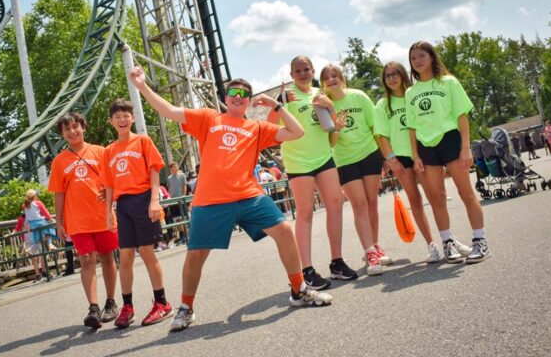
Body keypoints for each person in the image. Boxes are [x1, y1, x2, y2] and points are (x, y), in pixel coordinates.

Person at [128, 66, 333, 332]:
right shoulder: (209, 118)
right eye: (233, 93)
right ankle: (186, 308)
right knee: (196, 254)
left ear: (249, 101)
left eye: (244, 94)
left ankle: (298, 290)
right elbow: (169, 111)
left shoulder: (257, 127)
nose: (238, 97)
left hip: (248, 195)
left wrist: (277, 106)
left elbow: (297, 133)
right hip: (210, 200)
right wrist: (142, 86)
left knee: (284, 230)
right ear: (226, 98)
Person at [277, 55, 357, 289]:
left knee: (335, 204)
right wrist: (279, 102)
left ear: (313, 72)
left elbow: (332, 131)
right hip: (299, 161)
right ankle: (307, 270)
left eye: (307, 69)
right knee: (305, 213)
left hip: (324, 157)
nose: (303, 73)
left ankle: (337, 262)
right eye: (298, 70)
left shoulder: (319, 95)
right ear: (291, 75)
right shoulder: (286, 96)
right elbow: (271, 123)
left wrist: (331, 107)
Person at [406, 41, 487, 263]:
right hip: (426, 147)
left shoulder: (449, 82)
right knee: (437, 198)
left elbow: (462, 115)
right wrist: (416, 156)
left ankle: (480, 242)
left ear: (432, 57)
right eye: (413, 58)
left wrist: (465, 147)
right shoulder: (410, 92)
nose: (417, 61)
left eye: (422, 55)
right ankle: (447, 243)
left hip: (451, 141)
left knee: (465, 193)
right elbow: (411, 128)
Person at [102, 99, 173, 328]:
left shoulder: (142, 141)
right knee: (125, 257)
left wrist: (154, 201)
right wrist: (109, 212)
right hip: (123, 205)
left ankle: (162, 303)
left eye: (126, 115)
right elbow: (109, 185)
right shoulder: (109, 151)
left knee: (147, 253)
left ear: (132, 118)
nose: (122, 119)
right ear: (111, 121)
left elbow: (154, 172)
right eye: (117, 116)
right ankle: (128, 305)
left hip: (143, 199)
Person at [319, 63, 395, 275]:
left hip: (369, 153)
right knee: (359, 205)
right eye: (327, 77)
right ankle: (369, 252)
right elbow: (331, 143)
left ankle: (375, 247)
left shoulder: (359, 96)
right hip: (345, 160)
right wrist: (338, 126)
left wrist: (385, 156)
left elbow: (376, 128)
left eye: (335, 75)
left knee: (371, 203)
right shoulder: (323, 106)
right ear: (322, 84)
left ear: (342, 78)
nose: (332, 79)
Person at [48, 111, 119, 328]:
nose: (72, 131)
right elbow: (58, 193)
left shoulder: (100, 151)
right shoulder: (59, 162)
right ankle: (93, 307)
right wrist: (58, 221)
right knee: (86, 259)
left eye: (75, 126)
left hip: (103, 215)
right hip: (77, 220)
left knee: (107, 257)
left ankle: (111, 302)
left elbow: (114, 180)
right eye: (66, 128)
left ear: (83, 128)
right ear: (62, 134)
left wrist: (109, 195)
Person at [373, 62, 442, 265]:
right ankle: (432, 245)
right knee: (415, 199)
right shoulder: (383, 105)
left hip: (421, 151)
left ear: (403, 74)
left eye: (395, 74)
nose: (392, 78)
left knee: (435, 195)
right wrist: (391, 160)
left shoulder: (415, 94)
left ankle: (448, 239)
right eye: (387, 76)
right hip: (400, 157)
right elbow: (382, 136)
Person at [166, 162, 188, 244]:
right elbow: (169, 188)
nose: (176, 168)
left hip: (181, 200)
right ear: (171, 169)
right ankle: (182, 236)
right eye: (174, 167)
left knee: (184, 217)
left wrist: (183, 196)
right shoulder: (169, 178)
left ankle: (186, 235)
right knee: (177, 219)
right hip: (173, 201)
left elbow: (184, 186)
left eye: (177, 166)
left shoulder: (182, 175)